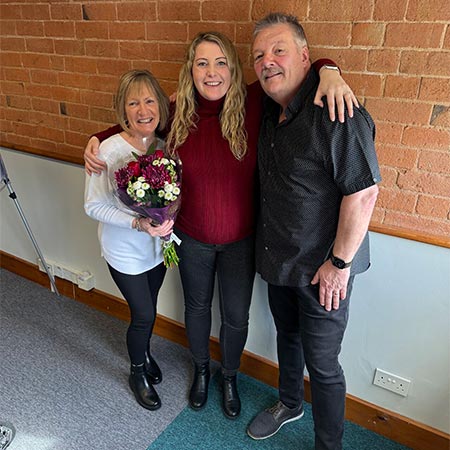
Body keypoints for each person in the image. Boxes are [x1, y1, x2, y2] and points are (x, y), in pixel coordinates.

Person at [83, 32, 357, 420]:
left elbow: (296, 72)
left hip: (242, 241)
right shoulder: (177, 112)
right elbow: (138, 126)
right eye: (202, 63)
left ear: (233, 68)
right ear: (190, 70)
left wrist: (329, 70)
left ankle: (229, 376)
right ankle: (201, 370)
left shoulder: (254, 101)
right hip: (191, 238)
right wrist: (98, 138)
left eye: (220, 63)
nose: (211, 72)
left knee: (236, 317)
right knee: (196, 309)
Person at [246, 13, 380, 450]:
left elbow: (364, 193)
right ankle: (289, 403)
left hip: (325, 270)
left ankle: (328, 445)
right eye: (258, 55)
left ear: (305, 56)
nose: (267, 61)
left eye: (278, 50)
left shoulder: (337, 113)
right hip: (280, 259)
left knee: (323, 365)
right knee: (287, 337)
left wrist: (339, 265)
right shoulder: (269, 109)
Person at [84, 69, 174, 411]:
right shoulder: (106, 150)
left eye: (149, 101)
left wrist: (164, 221)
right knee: (143, 315)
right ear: (122, 109)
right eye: (133, 103)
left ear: (161, 106)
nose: (143, 110)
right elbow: (92, 206)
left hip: (156, 248)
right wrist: (137, 222)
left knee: (149, 308)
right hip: (124, 251)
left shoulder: (164, 146)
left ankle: (145, 353)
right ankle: (137, 372)